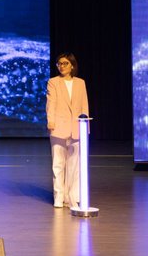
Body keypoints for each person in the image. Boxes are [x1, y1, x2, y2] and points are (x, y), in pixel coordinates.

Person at [46, 52, 89, 208]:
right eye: (59, 64)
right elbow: (51, 103)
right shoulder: (53, 82)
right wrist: (51, 121)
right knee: (58, 164)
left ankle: (72, 197)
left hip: (77, 127)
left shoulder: (80, 83)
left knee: (74, 165)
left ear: (72, 65)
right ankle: (59, 196)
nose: (62, 66)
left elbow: (84, 105)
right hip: (58, 126)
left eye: (65, 63)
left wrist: (85, 126)